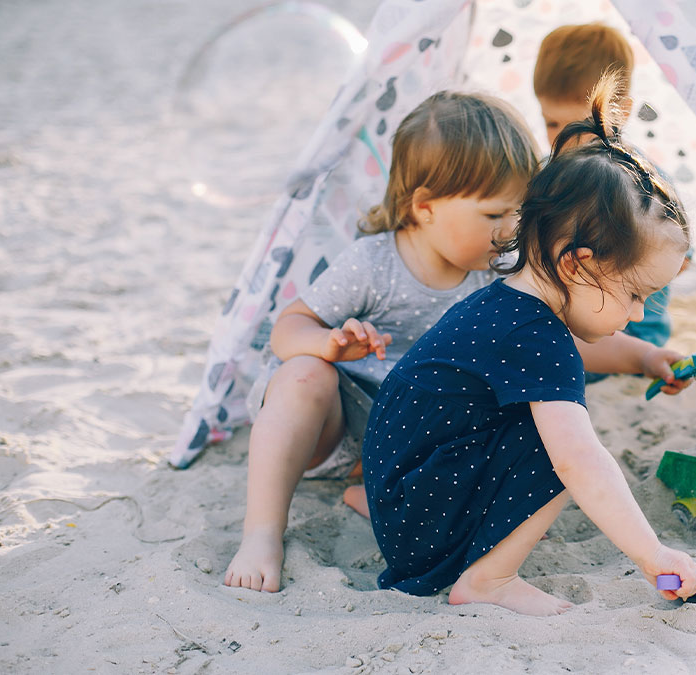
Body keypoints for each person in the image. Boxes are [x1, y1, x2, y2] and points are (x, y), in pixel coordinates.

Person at [361, 74, 696, 616]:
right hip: (417, 524)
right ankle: (488, 581)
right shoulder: (535, 335)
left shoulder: (510, 304)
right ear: (578, 263)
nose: (638, 315)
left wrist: (641, 357)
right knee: (566, 447)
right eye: (636, 293)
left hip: (405, 500)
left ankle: (486, 551)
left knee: (551, 433)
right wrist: (652, 554)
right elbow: (579, 463)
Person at [222, 90, 541, 593]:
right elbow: (288, 329)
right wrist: (328, 344)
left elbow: (552, 348)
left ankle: (372, 489)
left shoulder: (493, 278)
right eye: (494, 215)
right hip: (338, 424)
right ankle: (262, 533)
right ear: (425, 207)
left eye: (519, 213)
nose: (511, 231)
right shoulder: (374, 264)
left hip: (411, 442)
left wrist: (643, 356)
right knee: (302, 373)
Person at [533, 23, 676, 352]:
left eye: (578, 125)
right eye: (551, 123)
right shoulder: (547, 171)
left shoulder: (638, 185)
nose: (561, 140)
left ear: (620, 113)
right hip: (570, 316)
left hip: (630, 329)